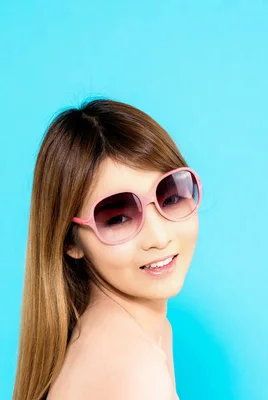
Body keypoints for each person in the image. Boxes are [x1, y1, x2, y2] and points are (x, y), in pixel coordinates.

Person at [12, 99, 202, 400]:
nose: (159, 236)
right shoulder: (137, 368)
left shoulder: (141, 333)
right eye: (118, 218)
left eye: (170, 196)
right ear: (70, 241)